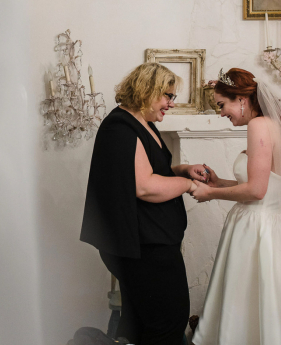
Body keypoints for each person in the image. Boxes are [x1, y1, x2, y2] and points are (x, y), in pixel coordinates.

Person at [189, 68, 281, 345]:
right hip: (266, 225)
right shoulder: (272, 125)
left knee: (245, 303)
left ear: (241, 98)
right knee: (266, 303)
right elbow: (265, 185)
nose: (221, 113)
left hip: (256, 229)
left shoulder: (259, 125)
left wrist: (209, 195)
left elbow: (256, 190)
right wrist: (219, 183)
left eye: (221, 105)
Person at [80, 63, 211, 345]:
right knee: (168, 322)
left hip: (150, 243)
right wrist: (190, 185)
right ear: (146, 90)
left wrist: (183, 170)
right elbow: (145, 186)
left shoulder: (142, 124)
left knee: (141, 324)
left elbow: (151, 172)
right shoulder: (121, 127)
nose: (171, 103)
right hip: (143, 247)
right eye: (167, 95)